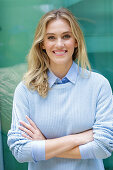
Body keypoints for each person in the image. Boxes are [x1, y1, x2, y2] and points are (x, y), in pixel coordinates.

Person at [7, 8, 113, 170]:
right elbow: (20, 151)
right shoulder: (26, 89)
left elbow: (104, 147)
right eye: (51, 37)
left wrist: (44, 145)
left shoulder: (99, 85)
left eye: (66, 36)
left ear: (76, 41)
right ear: (42, 43)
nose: (59, 44)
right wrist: (79, 138)